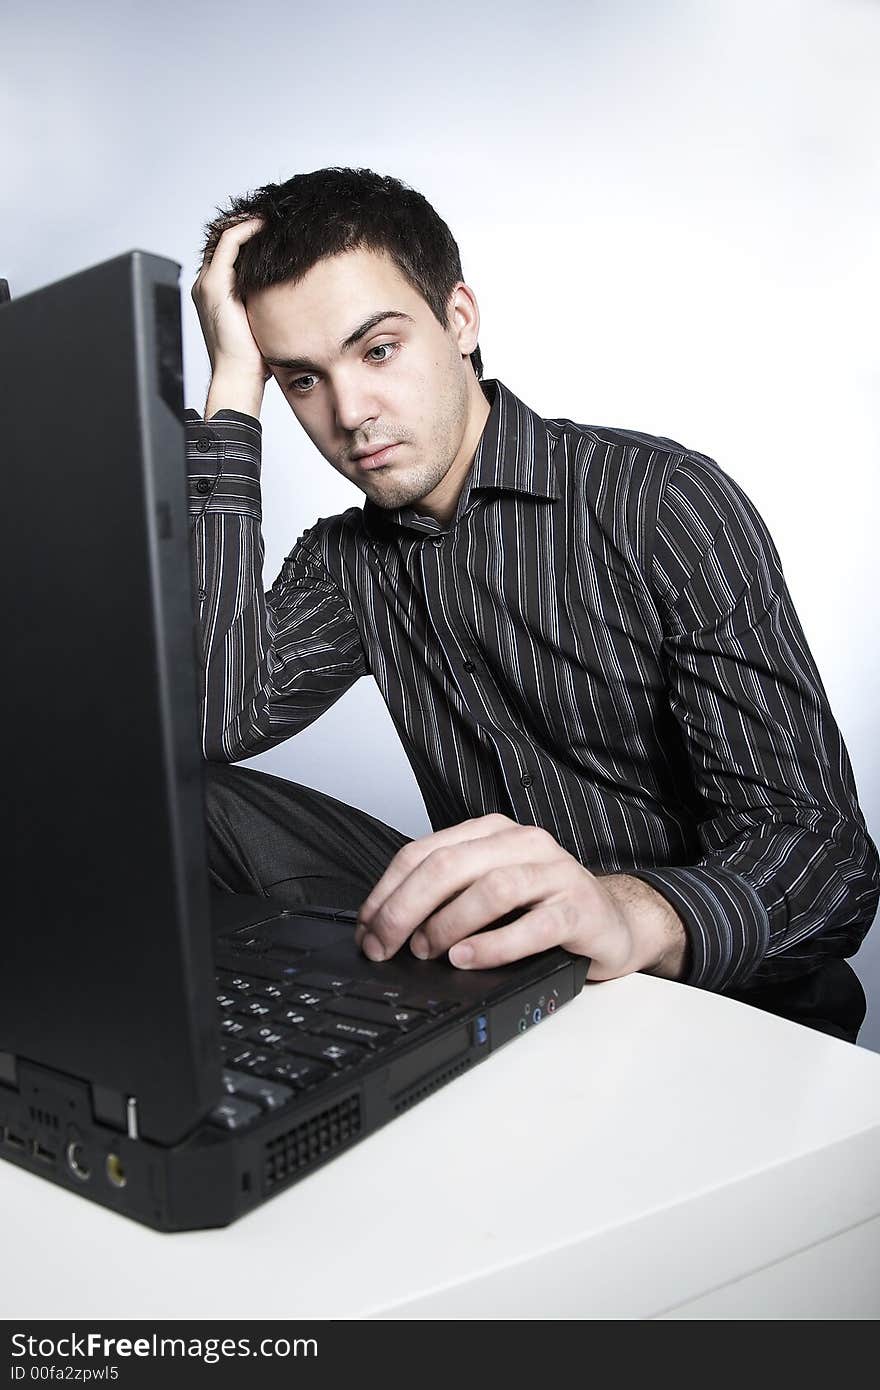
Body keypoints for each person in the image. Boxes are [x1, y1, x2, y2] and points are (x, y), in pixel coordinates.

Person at [187, 166, 879, 1043]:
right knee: (179, 801)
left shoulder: (657, 500)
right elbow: (209, 725)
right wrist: (230, 391)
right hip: (504, 982)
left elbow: (827, 857)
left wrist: (630, 913)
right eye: (301, 381)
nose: (352, 411)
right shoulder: (344, 561)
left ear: (460, 321)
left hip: (721, 1009)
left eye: (379, 350)